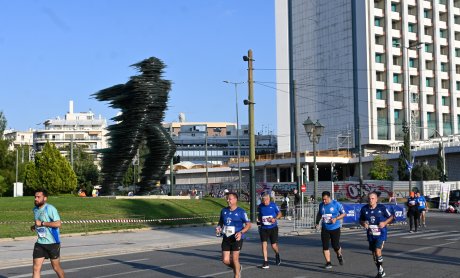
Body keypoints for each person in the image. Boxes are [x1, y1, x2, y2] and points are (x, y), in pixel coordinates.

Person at [31, 189, 65, 278]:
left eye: (38, 197)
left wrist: (42, 223)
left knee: (56, 267)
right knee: (36, 269)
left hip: (53, 243)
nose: (36, 199)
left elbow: (58, 224)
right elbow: (39, 223)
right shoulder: (35, 209)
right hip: (40, 243)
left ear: (45, 198)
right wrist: (34, 226)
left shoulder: (50, 208)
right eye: (35, 197)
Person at [216, 192, 251, 278]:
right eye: (227, 198)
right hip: (226, 237)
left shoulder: (241, 212)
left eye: (230, 199)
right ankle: (238, 268)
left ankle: (236, 275)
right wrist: (218, 227)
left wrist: (241, 232)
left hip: (237, 238)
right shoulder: (223, 210)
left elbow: (248, 225)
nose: (228, 200)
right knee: (225, 260)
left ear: (235, 200)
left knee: (235, 259)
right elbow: (220, 222)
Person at [359, 192, 394, 278]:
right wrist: (364, 224)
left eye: (372, 199)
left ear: (376, 199)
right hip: (371, 234)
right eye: (369, 199)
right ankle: (380, 270)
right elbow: (361, 220)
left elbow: (391, 217)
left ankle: (380, 270)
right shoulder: (364, 209)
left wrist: (384, 222)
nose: (370, 200)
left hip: (381, 233)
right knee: (374, 254)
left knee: (378, 250)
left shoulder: (381, 208)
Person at [315, 191, 346, 269]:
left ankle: (339, 255)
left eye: (325, 199)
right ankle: (328, 263)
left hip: (335, 228)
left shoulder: (336, 204)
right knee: (325, 246)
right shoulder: (321, 205)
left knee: (335, 246)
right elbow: (319, 214)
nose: (324, 201)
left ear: (329, 197)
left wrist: (336, 218)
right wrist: (317, 222)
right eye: (323, 199)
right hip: (325, 228)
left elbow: (344, 214)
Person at [257, 192, 282, 269]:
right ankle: (266, 262)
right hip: (264, 228)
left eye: (266, 200)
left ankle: (277, 254)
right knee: (264, 245)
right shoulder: (260, 206)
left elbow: (280, 214)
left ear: (269, 199)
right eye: (263, 200)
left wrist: (275, 219)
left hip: (273, 228)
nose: (265, 202)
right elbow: (260, 216)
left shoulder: (273, 205)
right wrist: (259, 222)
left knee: (273, 245)